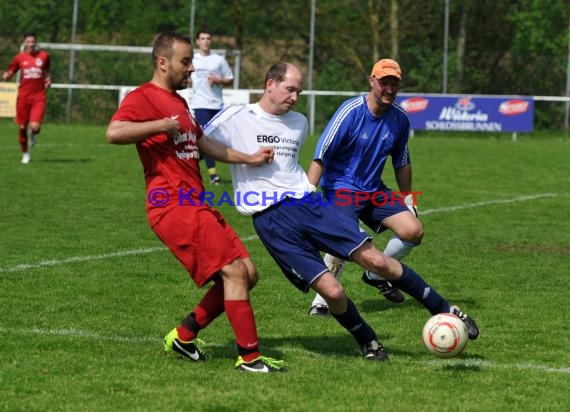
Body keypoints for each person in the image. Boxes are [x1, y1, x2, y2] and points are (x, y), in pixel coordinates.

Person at [205, 62, 480, 362]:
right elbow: (198, 141)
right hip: (272, 220)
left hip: (307, 205)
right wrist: (244, 158)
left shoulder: (298, 122)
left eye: (299, 90)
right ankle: (369, 341)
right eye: (290, 89)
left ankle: (446, 309)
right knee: (333, 292)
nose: (296, 97)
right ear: (269, 83)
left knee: (377, 260)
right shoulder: (237, 116)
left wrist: (310, 192)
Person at [105, 31, 283, 373]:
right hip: (170, 205)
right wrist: (159, 125)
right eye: (185, 62)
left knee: (248, 273)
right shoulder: (144, 97)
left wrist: (248, 157)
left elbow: (204, 144)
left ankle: (185, 336)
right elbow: (114, 132)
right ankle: (250, 358)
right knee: (233, 272)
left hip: (194, 201)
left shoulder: (180, 103)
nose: (191, 70)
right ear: (162, 62)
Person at [307, 58, 421, 316]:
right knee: (346, 238)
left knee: (413, 231)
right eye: (384, 82)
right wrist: (308, 190)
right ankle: (321, 302)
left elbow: (402, 161)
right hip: (341, 188)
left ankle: (376, 275)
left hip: (374, 190)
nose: (389, 89)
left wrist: (409, 200)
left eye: (394, 84)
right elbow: (321, 153)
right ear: (372, 81)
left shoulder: (400, 119)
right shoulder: (350, 112)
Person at [189, 29, 234, 185]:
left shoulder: (219, 60)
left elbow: (230, 79)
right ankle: (213, 176)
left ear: (211, 41)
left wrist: (219, 80)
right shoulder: (192, 59)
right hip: (200, 105)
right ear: (197, 41)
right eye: (202, 38)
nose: (206, 41)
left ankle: (189, 160)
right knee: (206, 138)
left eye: (208, 38)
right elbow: (184, 75)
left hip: (217, 105)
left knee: (214, 141)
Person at [2, 32, 51, 164]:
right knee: (22, 127)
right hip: (23, 97)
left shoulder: (44, 56)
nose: (30, 44)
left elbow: (47, 71)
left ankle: (33, 134)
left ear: (36, 43)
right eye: (28, 42)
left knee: (35, 127)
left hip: (38, 96)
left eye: (32, 42)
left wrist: (48, 80)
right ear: (24, 43)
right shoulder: (19, 58)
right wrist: (6, 76)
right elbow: (11, 71)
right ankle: (25, 154)